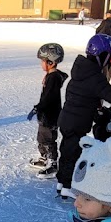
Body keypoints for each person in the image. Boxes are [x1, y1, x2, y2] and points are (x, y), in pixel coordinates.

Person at [49, 34, 111, 198]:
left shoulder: (82, 70)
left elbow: (86, 96)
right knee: (72, 153)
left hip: (68, 119)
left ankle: (61, 183)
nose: (109, 60)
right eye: (109, 56)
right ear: (102, 55)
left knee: (67, 150)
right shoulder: (93, 77)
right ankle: (67, 186)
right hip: (76, 121)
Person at [28, 43, 69, 173]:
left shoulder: (54, 78)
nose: (41, 64)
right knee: (41, 137)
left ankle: (53, 162)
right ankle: (44, 157)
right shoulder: (51, 76)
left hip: (51, 115)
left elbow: (48, 98)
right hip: (45, 114)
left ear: (51, 62)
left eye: (43, 61)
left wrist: (37, 108)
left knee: (49, 139)